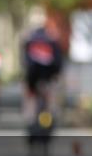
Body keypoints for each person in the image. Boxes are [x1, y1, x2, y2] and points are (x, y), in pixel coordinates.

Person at [22, 10, 65, 139]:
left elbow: (24, 61)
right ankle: (50, 118)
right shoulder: (52, 39)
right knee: (51, 98)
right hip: (48, 76)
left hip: (33, 77)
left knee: (30, 98)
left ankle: (30, 121)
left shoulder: (28, 39)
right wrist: (57, 75)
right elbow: (58, 61)